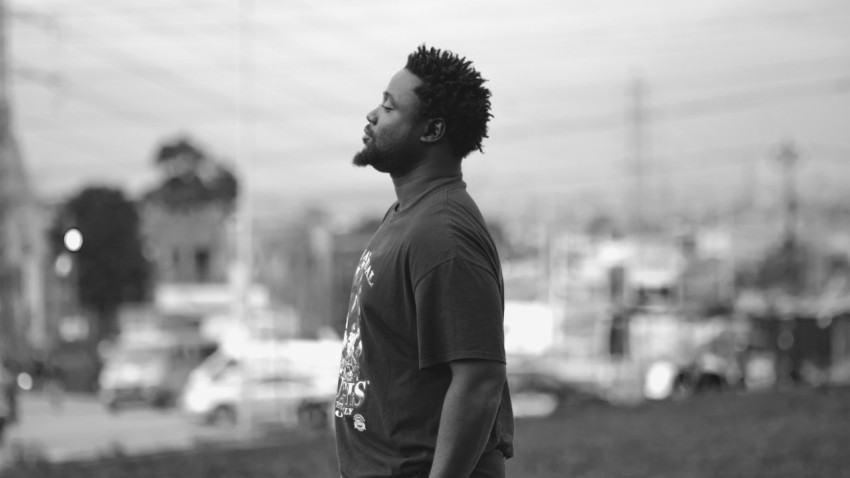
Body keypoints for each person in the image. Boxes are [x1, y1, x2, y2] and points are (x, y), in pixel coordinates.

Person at [334, 45, 514, 478]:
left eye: (388, 107)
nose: (372, 115)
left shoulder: (443, 235)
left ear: (432, 129)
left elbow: (479, 381)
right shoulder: (408, 214)